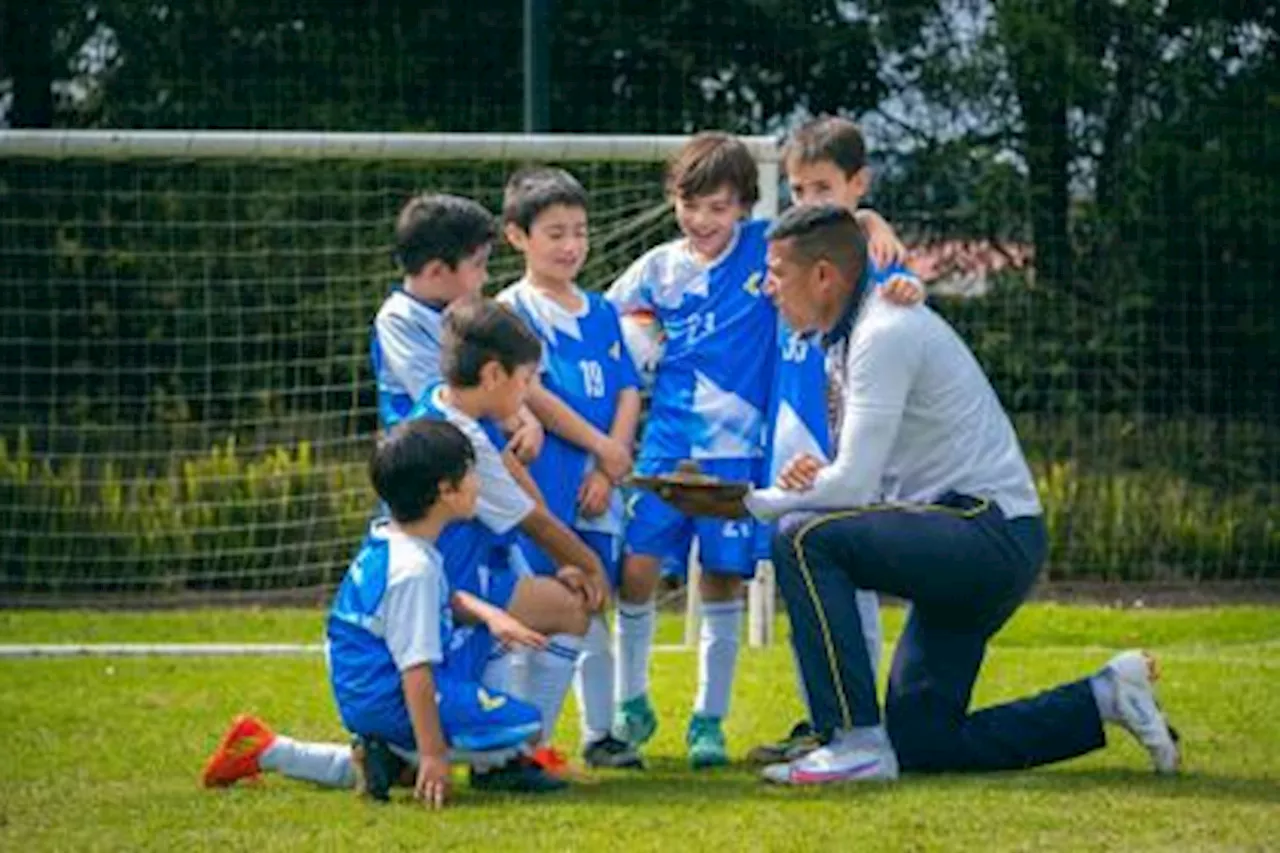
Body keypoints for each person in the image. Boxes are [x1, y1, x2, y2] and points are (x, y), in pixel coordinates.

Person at [660, 203, 1181, 785]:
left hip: (987, 531)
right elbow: (867, 471)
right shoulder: (849, 336)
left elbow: (855, 486)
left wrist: (752, 501)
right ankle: (1104, 698)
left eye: (778, 273)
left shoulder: (883, 331)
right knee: (923, 741)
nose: (768, 289)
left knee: (802, 539)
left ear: (824, 275)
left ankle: (852, 740)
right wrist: (814, 475)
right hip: (975, 536)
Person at [202, 299, 612, 794]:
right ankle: (510, 761)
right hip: (451, 591)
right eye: (527, 380)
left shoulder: (448, 408)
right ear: (493, 375)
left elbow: (519, 486)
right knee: (566, 624)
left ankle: (280, 750)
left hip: (458, 591)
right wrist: (589, 567)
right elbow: (532, 518)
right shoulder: (454, 454)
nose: (530, 394)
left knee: (495, 654)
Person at [606, 132, 916, 768]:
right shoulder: (657, 268)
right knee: (635, 571)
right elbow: (602, 318)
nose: (702, 221)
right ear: (673, 202)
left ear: (745, 209)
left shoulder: (766, 249)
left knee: (722, 581)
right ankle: (629, 701)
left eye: (718, 208)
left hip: (743, 454)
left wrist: (872, 218)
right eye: (690, 206)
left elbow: (832, 223)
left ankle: (707, 722)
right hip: (666, 447)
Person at [201, 420, 564, 803]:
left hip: (366, 690)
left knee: (483, 685)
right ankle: (398, 754)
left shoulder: (393, 539)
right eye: (471, 471)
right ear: (446, 490)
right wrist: (432, 755)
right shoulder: (415, 569)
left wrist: (493, 616)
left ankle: (272, 749)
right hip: (388, 698)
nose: (479, 481)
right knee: (527, 726)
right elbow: (416, 671)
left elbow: (445, 600)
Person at [748, 115, 924, 765]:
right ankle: (823, 722)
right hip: (793, 443)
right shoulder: (780, 252)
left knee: (851, 585)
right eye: (797, 189)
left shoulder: (877, 270)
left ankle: (858, 723)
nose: (809, 202)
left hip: (849, 447)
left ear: (858, 183)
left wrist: (873, 225)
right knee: (807, 586)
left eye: (823, 187)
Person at [497, 167, 645, 769]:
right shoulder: (510, 310)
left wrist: (610, 468)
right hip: (541, 485)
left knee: (595, 599)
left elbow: (628, 391)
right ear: (517, 237)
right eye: (555, 233)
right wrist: (600, 448)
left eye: (580, 232)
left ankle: (599, 732)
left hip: (596, 486)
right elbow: (529, 394)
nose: (570, 245)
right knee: (546, 601)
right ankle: (520, 738)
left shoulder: (605, 310)